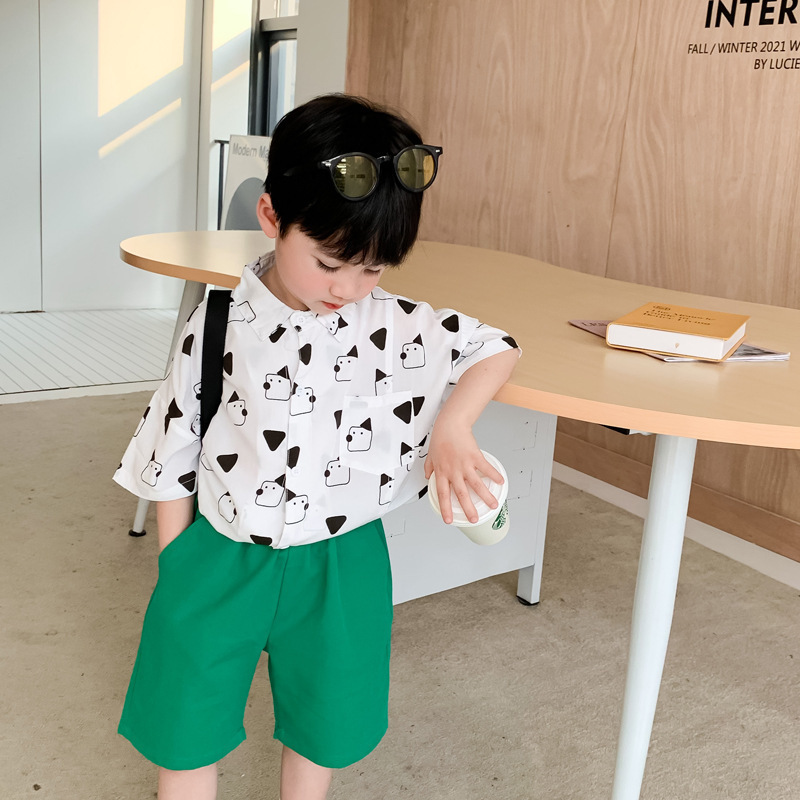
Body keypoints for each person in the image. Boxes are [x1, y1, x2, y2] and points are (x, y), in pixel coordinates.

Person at [113, 93, 521, 800]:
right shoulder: (218, 322)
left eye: (373, 268)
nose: (349, 288)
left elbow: (495, 347)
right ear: (272, 216)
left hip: (340, 558)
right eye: (331, 262)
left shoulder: (395, 323)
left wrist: (453, 426)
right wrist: (177, 564)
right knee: (183, 721)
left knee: (325, 722)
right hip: (220, 552)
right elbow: (172, 445)